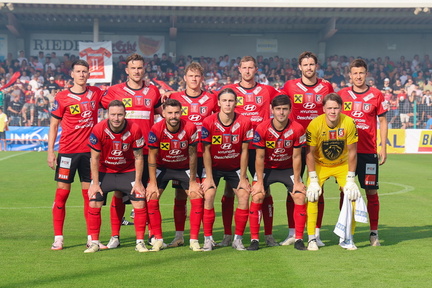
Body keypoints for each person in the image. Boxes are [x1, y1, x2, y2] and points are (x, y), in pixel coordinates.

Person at [101, 53, 162, 248]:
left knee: (149, 194)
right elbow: (101, 109)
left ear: (144, 69)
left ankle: (152, 234)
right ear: (127, 70)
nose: (137, 71)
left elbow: (165, 113)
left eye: (140, 68)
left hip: (146, 153)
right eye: (133, 68)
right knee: (118, 194)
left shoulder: (153, 92)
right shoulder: (114, 91)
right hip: (122, 153)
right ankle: (115, 236)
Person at [220, 56, 279, 247]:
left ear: (256, 69)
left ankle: (268, 235)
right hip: (237, 148)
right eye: (244, 68)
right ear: (239, 69)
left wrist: (322, 84)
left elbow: (288, 98)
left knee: (264, 190)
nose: (247, 71)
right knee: (230, 190)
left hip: (261, 148)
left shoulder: (267, 90)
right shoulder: (229, 91)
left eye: (250, 68)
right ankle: (228, 235)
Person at [47, 59, 104, 250]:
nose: (81, 74)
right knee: (62, 195)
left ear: (89, 74)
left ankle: (92, 238)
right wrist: (50, 151)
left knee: (90, 197)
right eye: (78, 71)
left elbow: (116, 97)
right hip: (67, 153)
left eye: (84, 71)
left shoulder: (96, 93)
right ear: (72, 74)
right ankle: (58, 238)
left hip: (90, 154)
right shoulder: (62, 97)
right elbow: (54, 125)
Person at [280, 51, 334, 247]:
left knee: (318, 190)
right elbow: (280, 108)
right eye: (305, 65)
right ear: (299, 67)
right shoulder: (290, 86)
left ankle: (316, 233)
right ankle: (293, 232)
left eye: (312, 64)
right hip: (294, 143)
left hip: (318, 145)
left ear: (316, 66)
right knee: (292, 188)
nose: (309, 68)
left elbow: (331, 111)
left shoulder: (326, 86)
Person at [84, 100, 148, 253]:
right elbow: (94, 158)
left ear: (125, 114)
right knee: (94, 201)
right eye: (113, 114)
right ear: (107, 115)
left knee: (139, 201)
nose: (116, 118)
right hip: (105, 171)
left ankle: (140, 242)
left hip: (127, 171)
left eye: (120, 115)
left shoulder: (135, 128)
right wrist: (95, 183)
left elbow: (139, 157)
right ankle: (94, 242)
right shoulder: (99, 129)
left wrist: (138, 182)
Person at [166, 62, 218, 247]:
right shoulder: (175, 97)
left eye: (197, 76)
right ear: (185, 78)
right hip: (182, 156)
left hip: (204, 153)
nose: (194, 79)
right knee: (180, 196)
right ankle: (179, 236)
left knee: (205, 195)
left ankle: (206, 236)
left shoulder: (212, 99)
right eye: (191, 76)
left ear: (202, 79)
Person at [338, 59, 388, 246]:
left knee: (371, 191)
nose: (358, 76)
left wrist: (383, 147)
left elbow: (382, 121)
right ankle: (345, 231)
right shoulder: (342, 95)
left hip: (368, 153)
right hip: (346, 153)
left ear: (366, 74)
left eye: (361, 73)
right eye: (355, 73)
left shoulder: (376, 95)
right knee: (345, 191)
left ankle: (373, 232)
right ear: (349, 75)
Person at [249, 95, 307, 251]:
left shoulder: (297, 128)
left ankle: (299, 239)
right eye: (278, 109)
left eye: (285, 109)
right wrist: (259, 181)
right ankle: (255, 239)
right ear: (272, 110)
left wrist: (297, 180)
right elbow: (259, 157)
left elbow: (297, 156)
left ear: (289, 110)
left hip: (287, 168)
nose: (281, 113)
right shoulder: (262, 128)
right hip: (267, 168)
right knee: (258, 195)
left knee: (300, 195)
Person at [146, 99, 203, 252]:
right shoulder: (156, 129)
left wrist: (192, 181)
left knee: (196, 195)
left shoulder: (190, 127)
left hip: (183, 167)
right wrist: (152, 182)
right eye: (170, 113)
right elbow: (151, 156)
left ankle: (192, 240)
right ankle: (158, 239)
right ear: (163, 113)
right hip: (163, 167)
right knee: (151, 196)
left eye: (176, 112)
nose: (173, 116)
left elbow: (192, 155)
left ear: (181, 112)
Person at [201, 88, 253, 251]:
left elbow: (245, 151)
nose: (228, 104)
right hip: (214, 167)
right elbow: (206, 151)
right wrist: (208, 177)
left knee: (244, 195)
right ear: (218, 103)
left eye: (231, 101)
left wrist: (243, 177)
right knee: (208, 195)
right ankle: (208, 239)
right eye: (224, 101)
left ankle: (237, 239)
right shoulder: (208, 122)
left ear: (235, 103)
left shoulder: (245, 122)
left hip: (234, 167)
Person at [306, 93, 360, 250]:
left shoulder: (349, 122)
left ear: (341, 108)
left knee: (352, 195)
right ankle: (312, 238)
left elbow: (352, 152)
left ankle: (348, 237)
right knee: (312, 196)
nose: (333, 111)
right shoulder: (315, 124)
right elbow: (309, 153)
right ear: (323, 109)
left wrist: (350, 179)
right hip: (320, 164)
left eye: (336, 108)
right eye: (329, 108)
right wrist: (313, 179)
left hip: (342, 164)